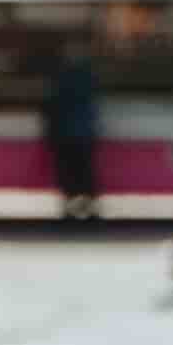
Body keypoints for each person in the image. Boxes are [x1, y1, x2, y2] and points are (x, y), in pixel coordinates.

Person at [43, 41, 100, 218]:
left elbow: (52, 105)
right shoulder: (88, 76)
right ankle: (88, 207)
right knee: (84, 171)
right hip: (83, 132)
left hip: (65, 133)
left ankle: (70, 206)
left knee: (68, 172)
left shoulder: (60, 77)